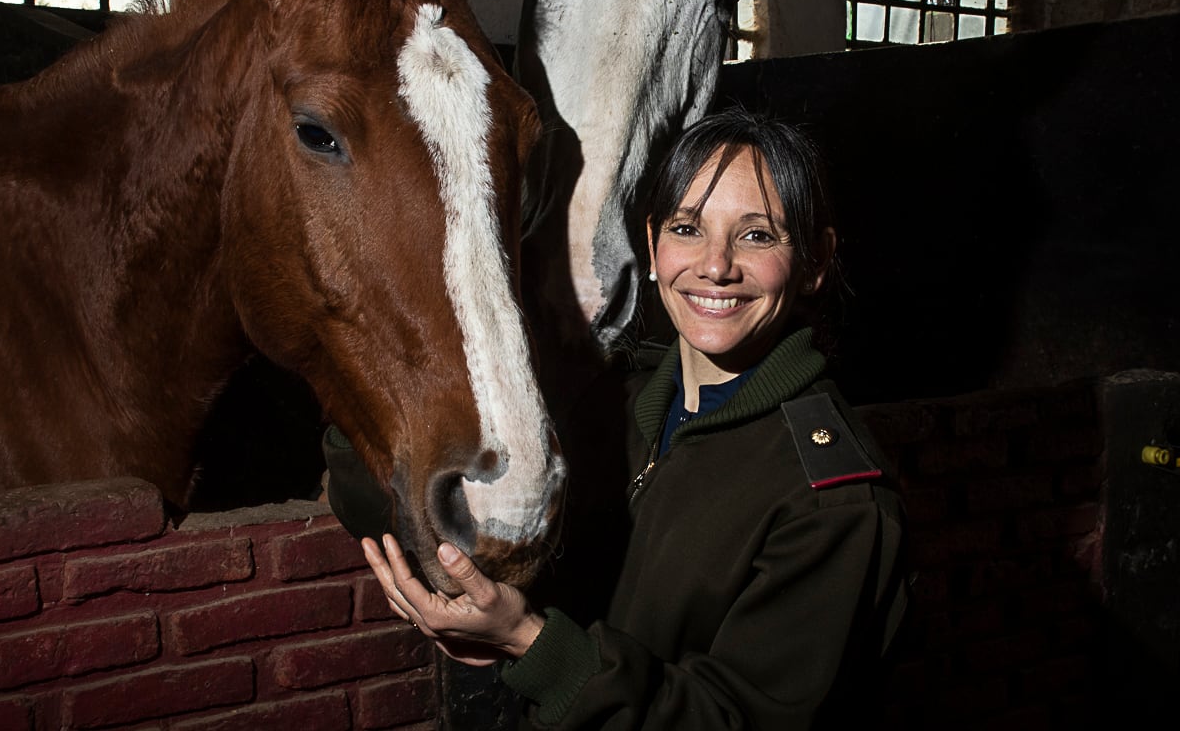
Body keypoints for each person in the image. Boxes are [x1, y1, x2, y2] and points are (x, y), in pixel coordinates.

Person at [346, 106, 907, 729]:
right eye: (688, 228)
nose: (715, 266)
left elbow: (733, 719)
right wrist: (487, 625)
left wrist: (531, 642)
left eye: (757, 235)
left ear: (816, 260)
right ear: (651, 242)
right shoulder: (618, 402)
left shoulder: (833, 501)